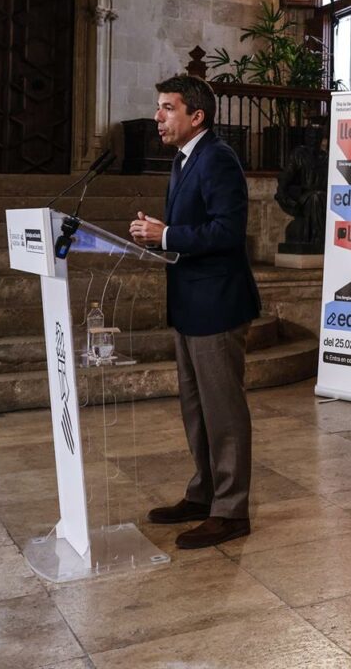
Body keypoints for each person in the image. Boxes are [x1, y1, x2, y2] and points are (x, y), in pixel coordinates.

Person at [129, 74, 261, 549]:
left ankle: (231, 511)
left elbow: (227, 231)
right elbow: (195, 227)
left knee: (223, 413)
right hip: (190, 303)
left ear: (196, 115)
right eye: (159, 107)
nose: (158, 117)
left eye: (168, 108)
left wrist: (166, 235)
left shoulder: (217, 158)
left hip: (217, 305)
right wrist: (161, 233)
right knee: (196, 410)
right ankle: (204, 493)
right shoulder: (186, 159)